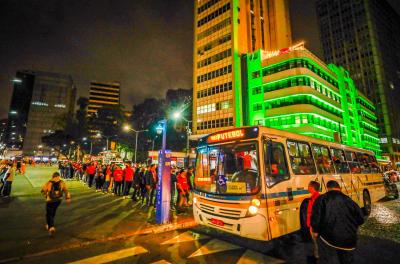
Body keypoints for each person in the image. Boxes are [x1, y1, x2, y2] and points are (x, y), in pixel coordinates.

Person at [311, 180, 365, 264]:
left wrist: (315, 231)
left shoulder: (322, 199)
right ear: (339, 188)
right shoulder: (349, 200)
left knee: (328, 259)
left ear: (328, 188)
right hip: (349, 240)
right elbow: (361, 219)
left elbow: (316, 216)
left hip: (328, 239)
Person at [306, 181, 320, 263]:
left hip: (314, 225)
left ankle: (317, 258)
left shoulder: (316, 198)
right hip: (313, 224)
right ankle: (316, 256)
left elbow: (316, 213)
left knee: (316, 242)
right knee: (315, 242)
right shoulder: (314, 197)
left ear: (312, 188)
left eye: (308, 186)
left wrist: (313, 226)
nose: (307, 187)